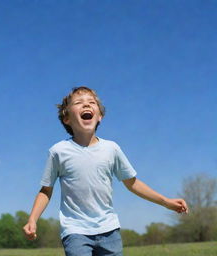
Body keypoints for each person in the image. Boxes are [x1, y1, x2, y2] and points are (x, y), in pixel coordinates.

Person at [23, 86, 188, 256]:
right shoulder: (58, 151)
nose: (86, 105)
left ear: (99, 116)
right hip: (75, 230)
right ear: (66, 118)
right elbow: (46, 190)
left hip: (109, 230)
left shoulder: (111, 149)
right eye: (79, 103)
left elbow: (132, 183)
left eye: (91, 102)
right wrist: (33, 219)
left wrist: (165, 201)